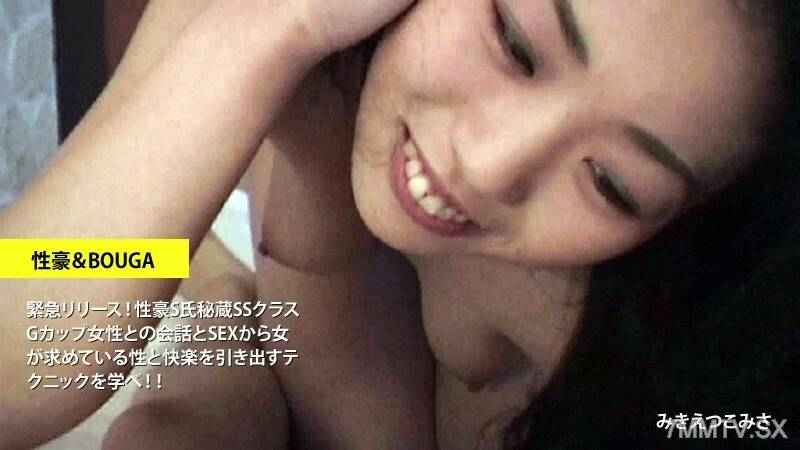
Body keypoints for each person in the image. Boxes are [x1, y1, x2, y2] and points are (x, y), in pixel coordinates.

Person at [2, 1, 798, 449]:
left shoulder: (693, 357)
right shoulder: (250, 27)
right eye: (515, 43)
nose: (488, 164)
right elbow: (23, 353)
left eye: (613, 185)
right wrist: (261, 36)